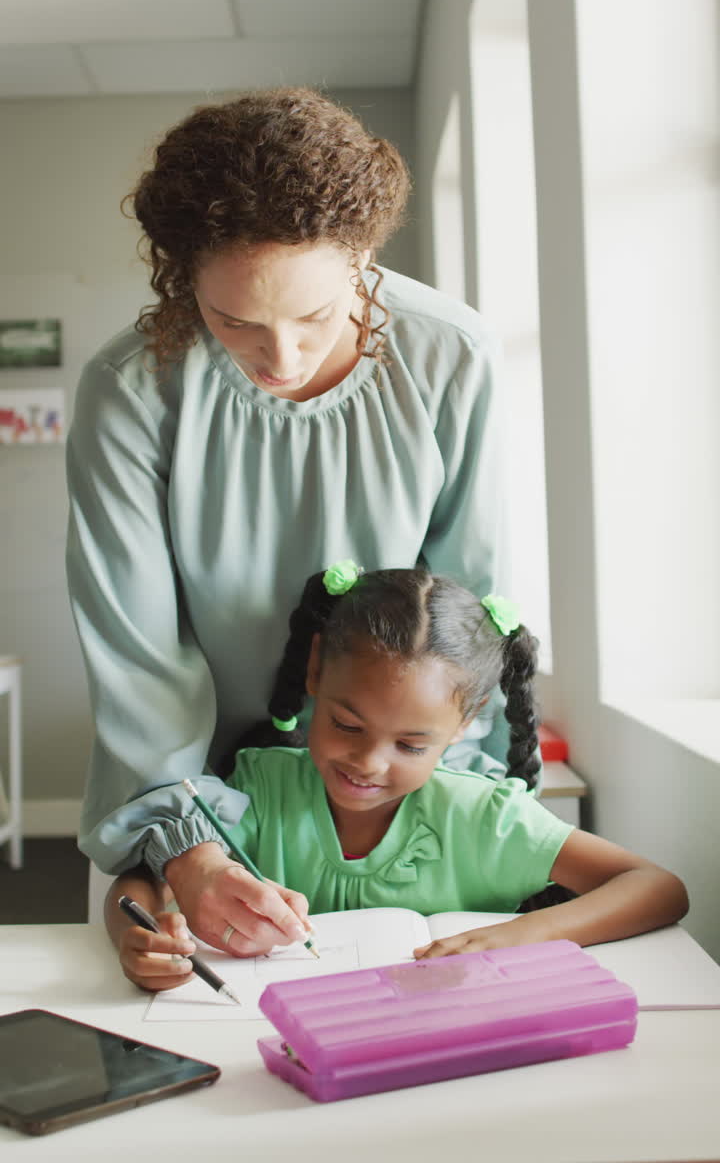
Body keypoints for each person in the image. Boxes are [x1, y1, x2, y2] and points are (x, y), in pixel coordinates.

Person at [66, 87, 513, 958]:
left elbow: (473, 604)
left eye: (314, 317)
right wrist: (187, 845)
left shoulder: (451, 354)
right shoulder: (129, 389)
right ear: (180, 278)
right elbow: (136, 650)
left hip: (397, 780)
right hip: (205, 792)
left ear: (362, 257)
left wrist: (422, 781)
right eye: (234, 321)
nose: (282, 357)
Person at [105, 564, 688, 993]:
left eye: (411, 744)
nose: (369, 763)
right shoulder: (257, 786)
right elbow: (140, 881)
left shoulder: (485, 817)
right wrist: (143, 933)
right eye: (346, 724)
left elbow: (657, 886)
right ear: (314, 672)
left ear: (465, 722)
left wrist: (521, 935)